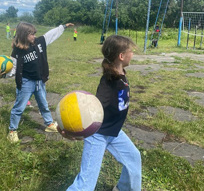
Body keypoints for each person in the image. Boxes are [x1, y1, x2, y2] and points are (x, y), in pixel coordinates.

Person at [59, 35, 142, 191]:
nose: (133, 54)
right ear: (121, 56)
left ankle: (124, 188)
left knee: (133, 158)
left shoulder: (120, 72)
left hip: (114, 132)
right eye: (131, 51)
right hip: (98, 135)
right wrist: (71, 129)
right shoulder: (109, 82)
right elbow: (91, 110)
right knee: (86, 184)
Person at [0, 22, 74, 143]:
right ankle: (12, 131)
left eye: (34, 33)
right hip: (26, 83)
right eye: (31, 34)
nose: (34, 36)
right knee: (19, 107)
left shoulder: (39, 42)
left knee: (43, 103)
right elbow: (13, 68)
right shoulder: (17, 51)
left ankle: (49, 124)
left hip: (39, 81)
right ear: (23, 35)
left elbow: (51, 34)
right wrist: (3, 75)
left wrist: (62, 27)